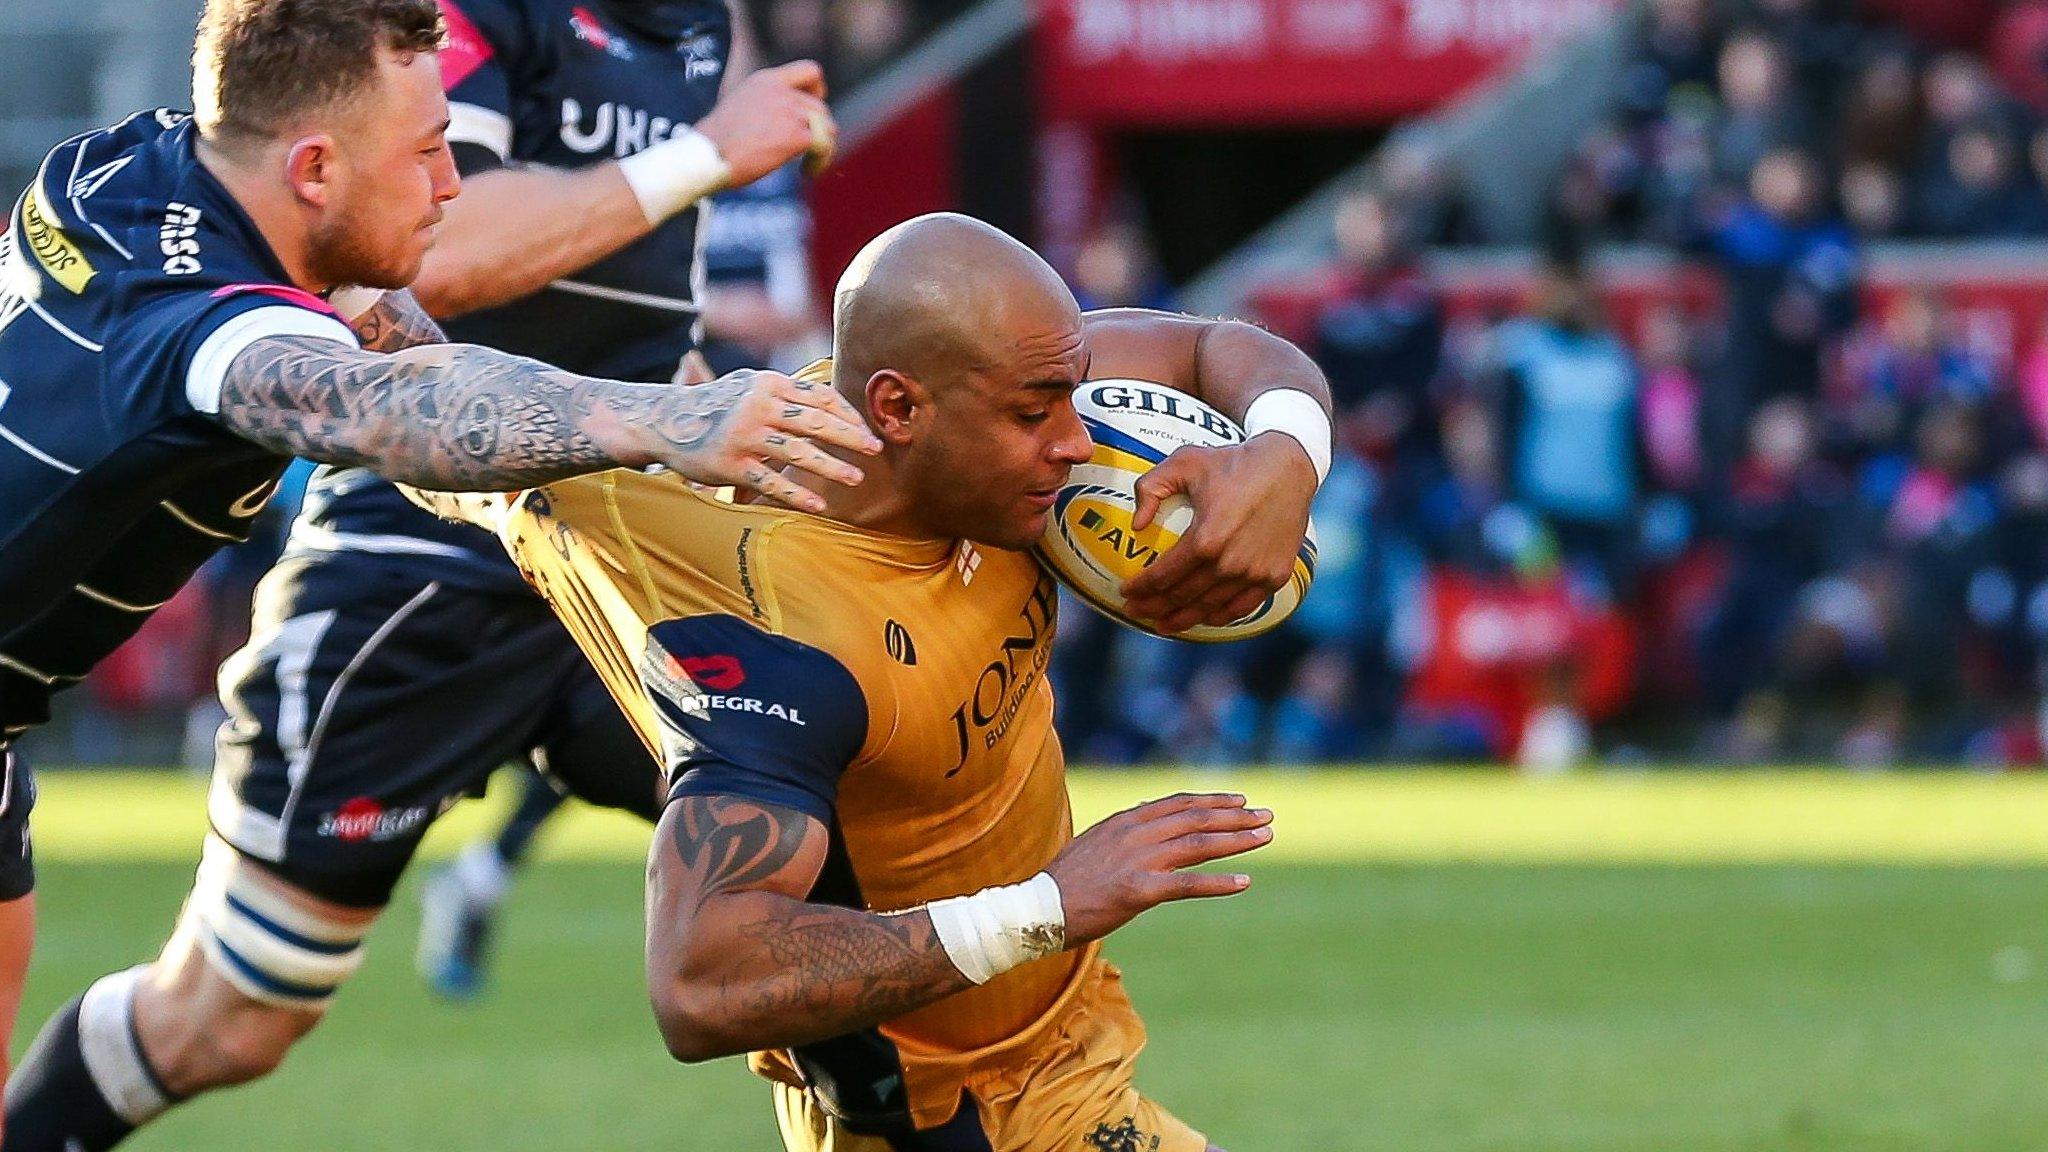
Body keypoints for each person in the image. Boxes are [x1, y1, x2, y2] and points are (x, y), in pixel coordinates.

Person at [0, 1, 878, 1147]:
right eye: (429, 153)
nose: (455, 182)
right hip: (403, 590)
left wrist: (691, 433)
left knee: (845, 834)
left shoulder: (147, 161)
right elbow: (392, 406)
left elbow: (416, 353)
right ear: (313, 167)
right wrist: (664, 420)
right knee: (229, 1011)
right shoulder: (212, 327)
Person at [435, 213, 1331, 1149]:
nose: (1075, 441)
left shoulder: (992, 399)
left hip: (1064, 1047)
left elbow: (1210, 347)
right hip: (950, 1119)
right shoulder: (790, 639)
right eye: (1039, 414)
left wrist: (1286, 450)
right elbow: (700, 984)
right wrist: (1047, 909)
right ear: (898, 409)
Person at [417, 146, 831, 1001]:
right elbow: (643, 291)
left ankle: (488, 861)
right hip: (648, 439)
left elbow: (791, 299)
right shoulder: (668, 153)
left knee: (666, 691)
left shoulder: (764, 165)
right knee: (650, 680)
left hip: (730, 441)